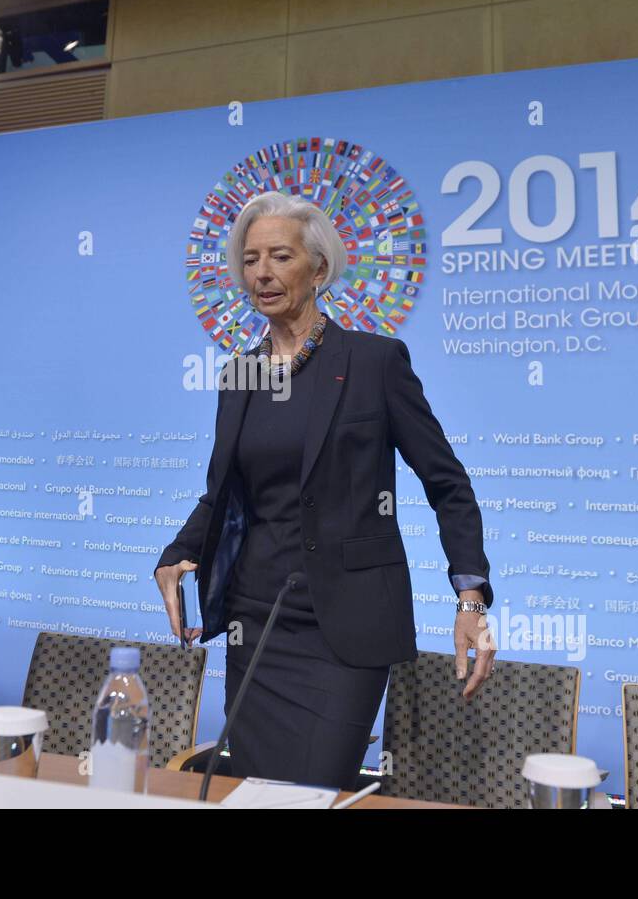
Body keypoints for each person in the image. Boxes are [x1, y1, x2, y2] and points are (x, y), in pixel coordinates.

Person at [154, 191, 494, 789]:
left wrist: (470, 598)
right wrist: (175, 553)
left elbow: (447, 483)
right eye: (251, 259)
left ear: (318, 268)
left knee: (313, 791)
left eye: (279, 256)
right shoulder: (241, 374)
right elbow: (222, 496)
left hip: (344, 625)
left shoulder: (375, 362)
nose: (261, 272)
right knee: (256, 794)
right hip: (255, 621)